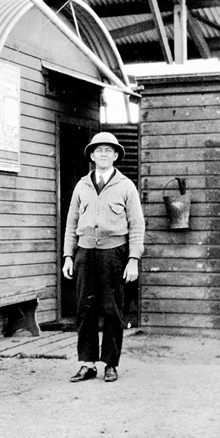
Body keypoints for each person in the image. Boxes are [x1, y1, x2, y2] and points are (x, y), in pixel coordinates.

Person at [62, 132, 145, 383]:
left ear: (116, 155)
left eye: (109, 150)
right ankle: (87, 364)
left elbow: (137, 224)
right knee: (85, 310)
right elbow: (71, 223)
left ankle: (110, 363)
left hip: (114, 254)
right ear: (92, 155)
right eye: (99, 151)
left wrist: (133, 259)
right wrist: (68, 255)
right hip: (85, 253)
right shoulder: (82, 185)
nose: (103, 154)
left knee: (112, 309)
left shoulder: (126, 186)